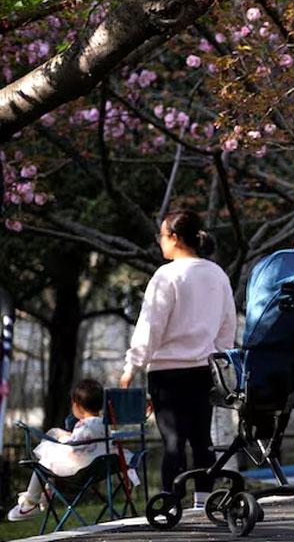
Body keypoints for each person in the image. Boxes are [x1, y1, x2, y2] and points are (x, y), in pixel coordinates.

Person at [120, 209, 236, 508]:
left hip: (167, 372)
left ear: (174, 237)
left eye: (161, 236)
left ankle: (172, 500)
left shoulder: (166, 275)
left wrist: (132, 365)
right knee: (202, 439)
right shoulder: (217, 274)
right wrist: (220, 358)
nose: (160, 242)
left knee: (174, 441)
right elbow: (228, 323)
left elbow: (150, 326)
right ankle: (203, 500)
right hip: (204, 369)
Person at [7, 379, 106, 521]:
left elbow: (74, 451)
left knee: (43, 462)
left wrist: (62, 440)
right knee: (54, 435)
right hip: (98, 467)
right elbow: (86, 442)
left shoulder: (83, 426)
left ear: (77, 406)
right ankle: (45, 490)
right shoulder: (104, 423)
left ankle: (31, 502)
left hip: (79, 470)